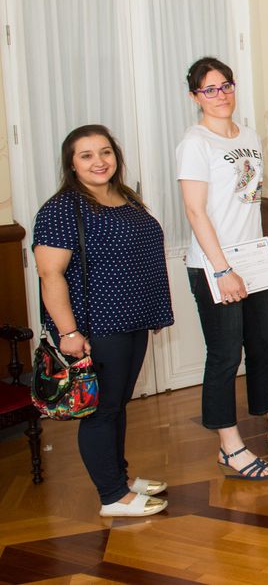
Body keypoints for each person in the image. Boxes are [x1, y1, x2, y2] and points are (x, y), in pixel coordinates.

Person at [178, 57, 268, 481]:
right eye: (210, 90)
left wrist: (248, 264)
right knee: (223, 356)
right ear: (195, 97)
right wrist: (222, 271)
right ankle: (229, 447)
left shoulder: (250, 135)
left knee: (262, 346)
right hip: (216, 267)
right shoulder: (194, 143)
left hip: (253, 259)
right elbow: (195, 212)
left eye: (226, 86)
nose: (221, 95)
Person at [33, 125, 174, 517]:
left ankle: (121, 478)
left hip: (132, 319)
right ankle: (112, 495)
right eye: (87, 155)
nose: (99, 161)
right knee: (101, 410)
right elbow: (50, 274)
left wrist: (153, 307)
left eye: (105, 152)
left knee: (117, 404)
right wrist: (69, 332)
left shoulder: (124, 197)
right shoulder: (62, 208)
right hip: (97, 326)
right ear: (71, 164)